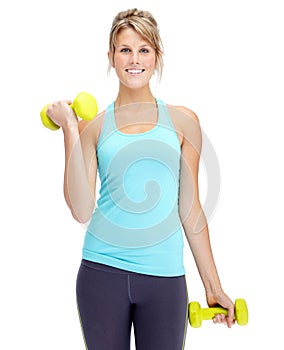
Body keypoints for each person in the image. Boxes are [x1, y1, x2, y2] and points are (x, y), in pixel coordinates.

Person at [46, 8, 235, 350]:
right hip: (102, 273)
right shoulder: (95, 126)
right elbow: (81, 210)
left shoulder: (183, 122)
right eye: (125, 49)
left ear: (157, 56)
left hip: (165, 280)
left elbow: (191, 211)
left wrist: (213, 286)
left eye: (144, 49)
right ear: (111, 56)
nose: (135, 59)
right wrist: (70, 128)